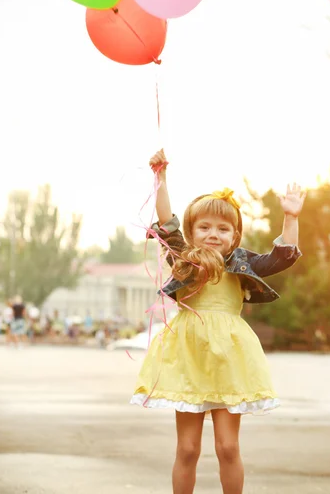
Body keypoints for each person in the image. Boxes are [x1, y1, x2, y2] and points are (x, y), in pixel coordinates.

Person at [130, 149, 306, 494]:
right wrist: (161, 178)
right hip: (188, 358)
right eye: (205, 227)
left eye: (223, 229)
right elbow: (167, 222)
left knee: (227, 447)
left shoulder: (243, 263)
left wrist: (291, 218)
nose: (214, 234)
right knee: (188, 448)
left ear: (234, 236)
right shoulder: (184, 259)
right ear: (193, 233)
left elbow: (282, 256)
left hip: (229, 358)